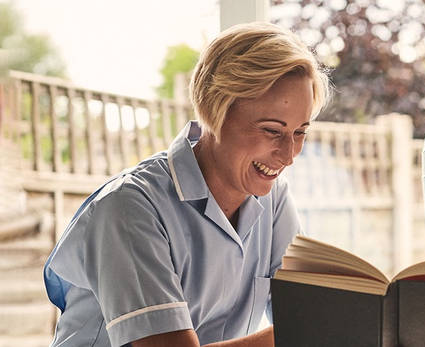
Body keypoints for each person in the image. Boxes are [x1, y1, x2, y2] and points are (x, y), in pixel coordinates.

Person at [43, 22, 329, 347]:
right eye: (271, 131)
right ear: (213, 110)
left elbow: (305, 313)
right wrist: (312, 328)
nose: (289, 154)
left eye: (300, 132)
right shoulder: (129, 208)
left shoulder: (273, 200)